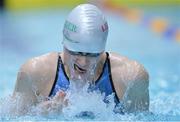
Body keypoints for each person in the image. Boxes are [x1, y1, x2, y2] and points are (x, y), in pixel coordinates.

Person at [13, 4, 149, 115]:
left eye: (92, 54)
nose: (83, 62)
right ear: (64, 44)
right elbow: (11, 117)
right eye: (76, 52)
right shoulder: (35, 73)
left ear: (102, 50)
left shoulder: (130, 77)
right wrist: (40, 114)